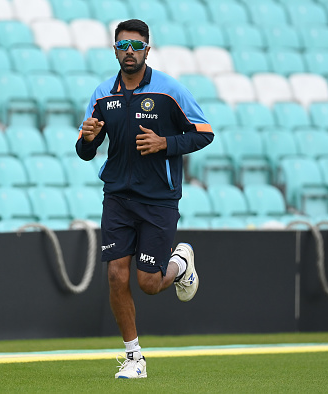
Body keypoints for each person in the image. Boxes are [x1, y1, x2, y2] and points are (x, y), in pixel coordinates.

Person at [75, 19, 214, 379]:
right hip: (117, 197)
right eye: (122, 46)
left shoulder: (170, 91)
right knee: (116, 275)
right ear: (115, 50)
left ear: (147, 49)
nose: (129, 52)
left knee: (148, 283)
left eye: (136, 46)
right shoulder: (103, 94)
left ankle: (181, 263)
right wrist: (88, 139)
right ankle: (134, 358)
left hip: (158, 200)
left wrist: (164, 143)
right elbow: (86, 151)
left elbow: (204, 133)